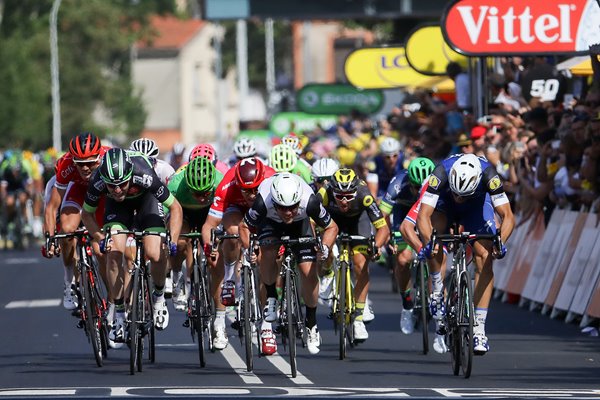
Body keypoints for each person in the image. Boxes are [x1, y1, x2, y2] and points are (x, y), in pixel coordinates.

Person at [416, 153, 514, 354]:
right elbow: (423, 216)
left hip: (476, 206)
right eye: (457, 194)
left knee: (485, 257)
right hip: (444, 204)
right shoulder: (441, 172)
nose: (459, 199)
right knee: (434, 241)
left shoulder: (489, 175)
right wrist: (428, 243)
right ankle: (436, 290)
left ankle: (479, 328)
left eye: (463, 195)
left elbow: (508, 216)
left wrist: (500, 242)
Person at [81, 148, 182, 343]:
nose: (117, 190)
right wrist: (100, 238)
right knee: (113, 254)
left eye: (122, 184)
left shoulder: (144, 174)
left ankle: (159, 297)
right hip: (118, 209)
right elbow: (86, 214)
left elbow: (175, 207)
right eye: (112, 186)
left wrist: (174, 239)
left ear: (130, 175)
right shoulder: (98, 180)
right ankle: (119, 315)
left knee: (155, 252)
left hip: (147, 201)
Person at [239, 172, 338, 355]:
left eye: (292, 207)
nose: (287, 213)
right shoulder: (263, 202)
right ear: (274, 203)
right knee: (267, 251)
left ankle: (311, 322)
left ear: (298, 202)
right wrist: (249, 249)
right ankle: (271, 297)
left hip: (301, 225)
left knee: (308, 270)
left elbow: (332, 227)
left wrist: (324, 247)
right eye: (282, 208)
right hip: (270, 223)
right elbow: (243, 227)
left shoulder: (310, 201)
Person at [317, 168, 390, 341]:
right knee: (323, 247)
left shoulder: (364, 194)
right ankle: (327, 272)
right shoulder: (324, 193)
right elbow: (311, 220)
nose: (343, 201)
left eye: (348, 196)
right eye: (339, 196)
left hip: (358, 221)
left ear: (355, 192)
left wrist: (376, 246)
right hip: (332, 220)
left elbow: (383, 228)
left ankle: (357, 318)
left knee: (360, 264)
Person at [42, 133, 109, 311]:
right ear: (73, 160)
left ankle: (114, 302)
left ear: (99, 157)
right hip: (77, 191)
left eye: (90, 163)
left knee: (102, 251)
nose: (86, 168)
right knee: (67, 230)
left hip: (102, 195)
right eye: (80, 164)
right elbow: (51, 208)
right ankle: (69, 280)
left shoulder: (109, 158)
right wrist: (50, 238)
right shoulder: (66, 165)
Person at [167, 156, 229, 349]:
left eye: (205, 193)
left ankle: (219, 322)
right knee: (179, 241)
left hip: (210, 214)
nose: (201, 197)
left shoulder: (220, 182)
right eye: (196, 193)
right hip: (183, 213)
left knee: (215, 260)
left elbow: (226, 214)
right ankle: (177, 275)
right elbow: (166, 212)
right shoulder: (176, 183)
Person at [201, 157, 275, 310]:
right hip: (236, 210)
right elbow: (210, 224)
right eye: (246, 190)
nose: (252, 195)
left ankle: (266, 318)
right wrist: (209, 248)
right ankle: (229, 278)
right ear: (237, 184)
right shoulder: (226, 186)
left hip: (264, 211)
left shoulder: (272, 179)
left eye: (256, 189)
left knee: (266, 259)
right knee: (233, 232)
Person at [379, 157, 435, 334]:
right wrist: (388, 238)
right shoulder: (397, 183)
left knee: (434, 255)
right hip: (403, 215)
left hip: (427, 213)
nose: (419, 191)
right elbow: (383, 216)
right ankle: (407, 303)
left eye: (423, 186)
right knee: (402, 260)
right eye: (416, 187)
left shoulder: (436, 185)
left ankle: (434, 296)